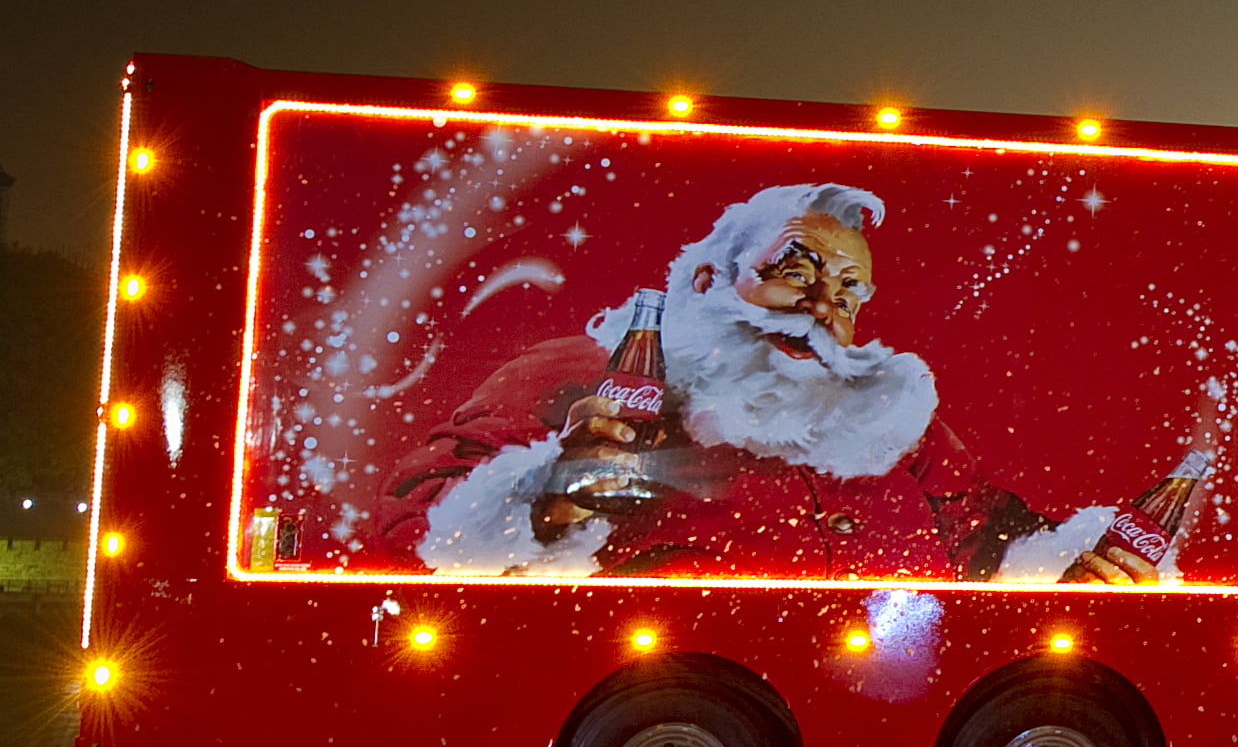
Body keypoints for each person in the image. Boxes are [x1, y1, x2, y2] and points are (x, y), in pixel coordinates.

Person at [386, 182, 1084, 580]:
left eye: (846, 294)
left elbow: (986, 534)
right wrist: (539, 500)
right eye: (795, 274)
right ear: (706, 279)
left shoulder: (887, 413)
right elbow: (412, 530)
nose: (822, 310)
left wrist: (1075, 563)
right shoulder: (577, 372)